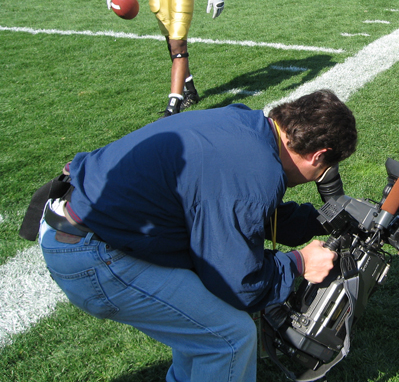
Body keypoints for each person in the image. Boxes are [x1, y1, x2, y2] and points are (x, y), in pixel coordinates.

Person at [38, 90, 357, 382]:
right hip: (92, 253)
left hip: (76, 226)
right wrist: (299, 263)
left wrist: (318, 221)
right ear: (319, 155)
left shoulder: (246, 125)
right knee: (230, 338)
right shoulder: (256, 170)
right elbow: (239, 285)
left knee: (203, 326)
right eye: (326, 168)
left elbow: (242, 210)